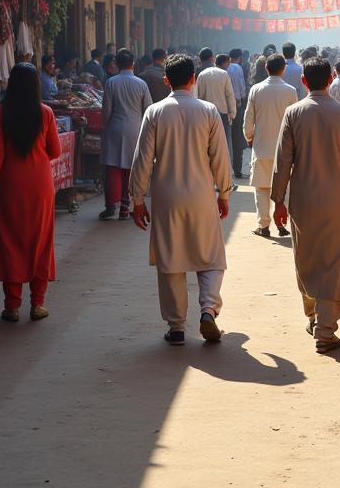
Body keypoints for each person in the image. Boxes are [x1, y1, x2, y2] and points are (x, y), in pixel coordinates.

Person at [131, 54, 232, 346]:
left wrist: (137, 198)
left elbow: (143, 160)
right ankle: (208, 309)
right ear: (194, 79)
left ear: (166, 81)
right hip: (201, 194)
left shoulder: (155, 112)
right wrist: (223, 192)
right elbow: (220, 158)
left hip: (166, 195)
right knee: (211, 257)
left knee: (170, 259)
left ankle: (176, 327)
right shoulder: (209, 111)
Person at [271, 57, 340, 354]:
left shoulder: (294, 113)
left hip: (303, 198)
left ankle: (314, 316)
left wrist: (278, 200)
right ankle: (326, 329)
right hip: (337, 198)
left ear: (304, 81)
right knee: (334, 261)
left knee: (307, 257)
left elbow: (282, 162)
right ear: (330, 81)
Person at [0, 64, 61, 323]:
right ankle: (38, 303)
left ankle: (12, 305)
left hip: (10, 183)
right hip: (40, 183)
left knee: (10, 240)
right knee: (41, 239)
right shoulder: (46, 113)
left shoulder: (0, 113)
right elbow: (55, 151)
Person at [244, 53, 298, 238]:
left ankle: (263, 225)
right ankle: (282, 223)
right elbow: (295, 120)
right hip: (284, 149)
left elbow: (249, 117)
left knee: (261, 188)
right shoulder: (290, 90)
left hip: (261, 146)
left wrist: (249, 135)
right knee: (285, 187)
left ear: (266, 68)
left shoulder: (256, 89)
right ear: (283, 69)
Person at [99, 49, 152, 221]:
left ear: (117, 64)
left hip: (114, 126)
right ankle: (125, 206)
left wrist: (104, 127)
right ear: (133, 63)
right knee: (131, 168)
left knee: (113, 167)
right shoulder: (141, 83)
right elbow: (148, 109)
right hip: (135, 128)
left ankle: (110, 205)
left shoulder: (111, 82)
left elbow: (106, 109)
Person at [196, 51, 237, 174]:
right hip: (222, 114)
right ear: (212, 59)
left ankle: (207, 173)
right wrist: (232, 112)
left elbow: (198, 96)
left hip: (205, 115)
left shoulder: (201, 75)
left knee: (206, 145)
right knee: (225, 145)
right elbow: (229, 94)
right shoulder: (224, 74)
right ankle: (226, 175)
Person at [227, 48, 248, 180]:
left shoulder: (225, 67)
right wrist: (242, 99)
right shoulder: (237, 68)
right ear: (239, 57)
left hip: (225, 106)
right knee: (237, 137)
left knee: (228, 138)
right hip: (237, 104)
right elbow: (241, 85)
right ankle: (238, 169)